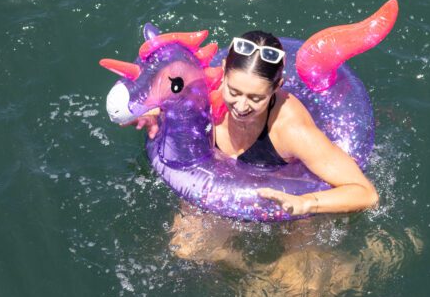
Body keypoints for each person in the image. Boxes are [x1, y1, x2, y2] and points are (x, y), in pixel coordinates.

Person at [134, 30, 379, 216]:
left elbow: (365, 193)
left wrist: (306, 202)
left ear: (277, 87)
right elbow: (159, 97)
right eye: (234, 91)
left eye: (256, 98)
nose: (241, 106)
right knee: (187, 251)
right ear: (223, 72)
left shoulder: (291, 130)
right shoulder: (201, 92)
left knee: (295, 281)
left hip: (283, 192)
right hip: (217, 183)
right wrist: (154, 114)